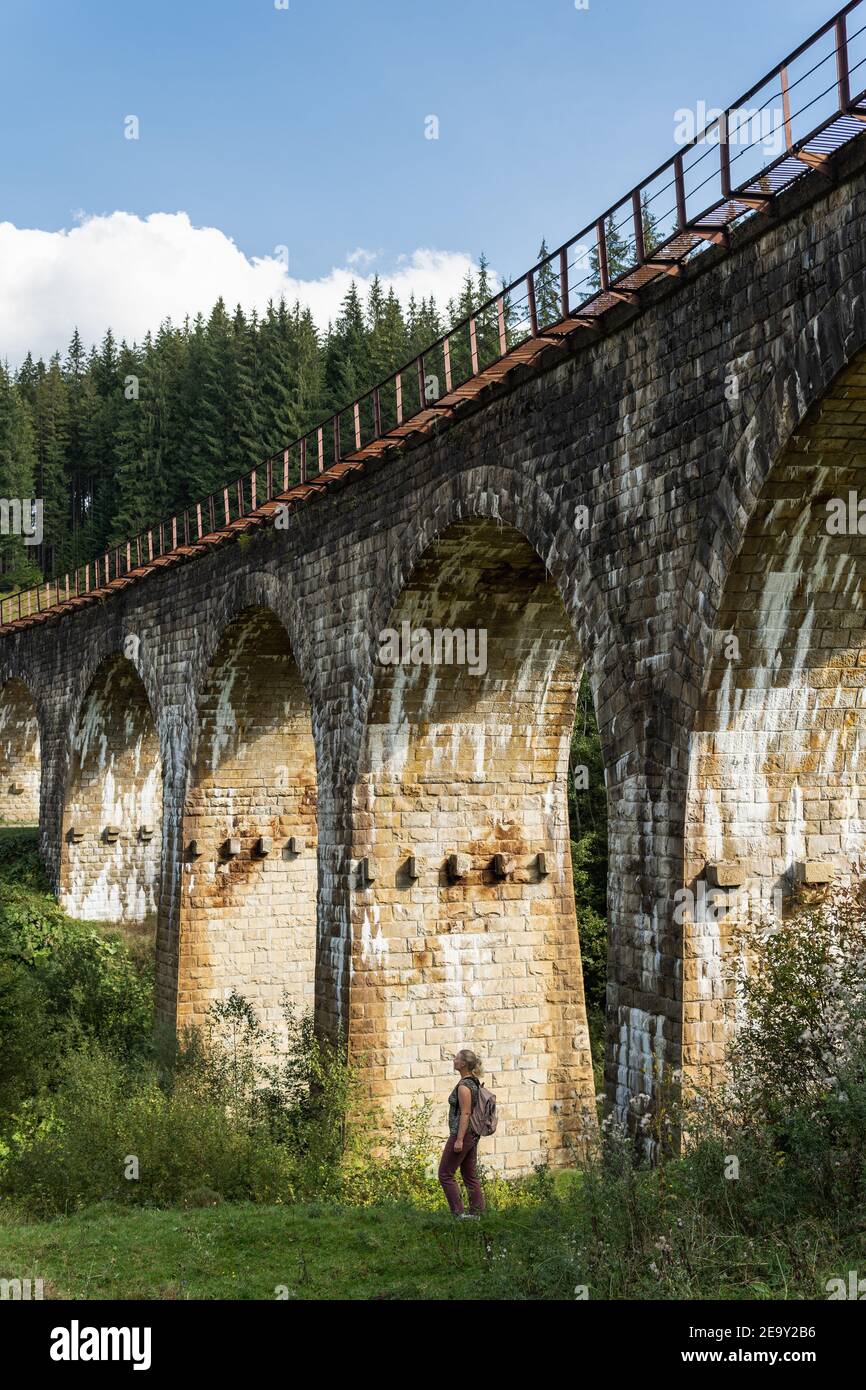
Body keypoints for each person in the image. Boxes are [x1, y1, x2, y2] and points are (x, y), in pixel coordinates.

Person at [438, 1048, 486, 1218]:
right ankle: (477, 1214)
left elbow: (466, 1113)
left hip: (463, 1134)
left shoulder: (465, 1086)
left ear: (463, 1063)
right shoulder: (474, 1081)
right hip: (473, 1134)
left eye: (457, 1058)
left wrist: (458, 1139)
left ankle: (458, 1214)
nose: (454, 1060)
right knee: (469, 1175)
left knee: (445, 1174)